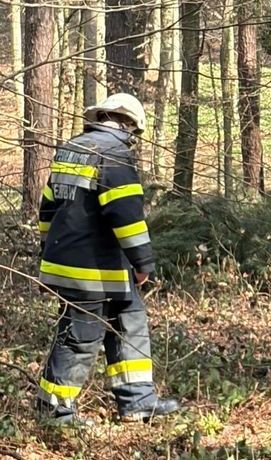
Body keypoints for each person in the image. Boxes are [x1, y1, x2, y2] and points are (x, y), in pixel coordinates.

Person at [36, 93, 180, 426]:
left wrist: (47, 249)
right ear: (129, 125)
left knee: (130, 323)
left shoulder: (71, 148)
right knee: (80, 337)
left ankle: (137, 401)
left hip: (93, 265)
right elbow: (126, 216)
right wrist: (144, 262)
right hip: (89, 269)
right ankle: (54, 411)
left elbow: (48, 206)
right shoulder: (115, 155)